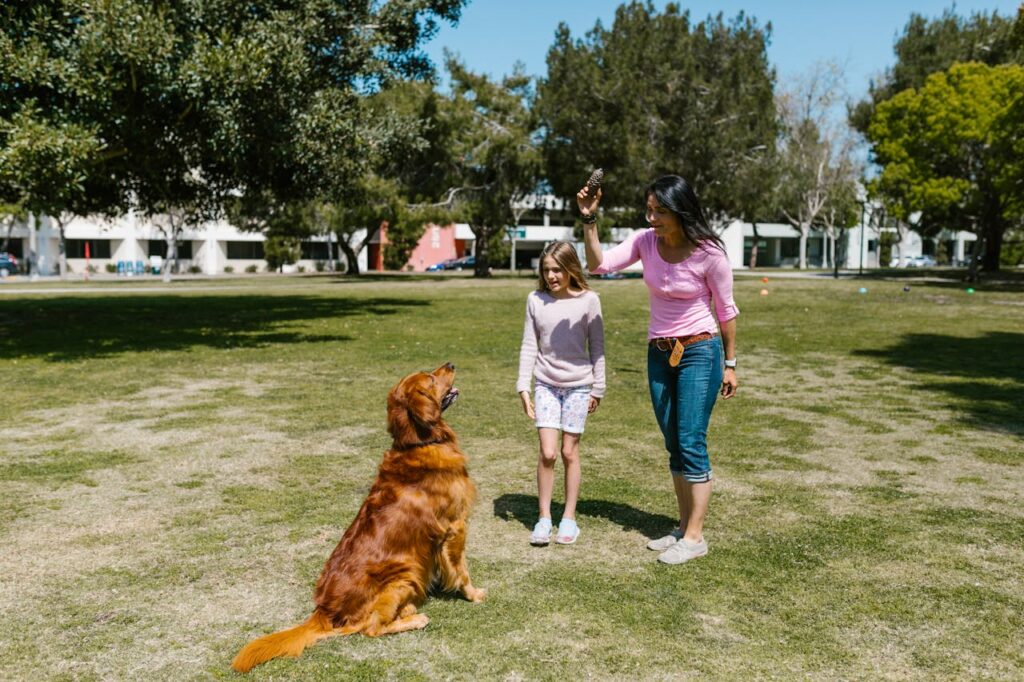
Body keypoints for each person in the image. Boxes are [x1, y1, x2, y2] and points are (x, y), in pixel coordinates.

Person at [577, 175, 738, 565]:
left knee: (690, 439)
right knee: (673, 441)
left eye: (659, 211)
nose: (651, 218)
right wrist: (588, 219)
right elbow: (599, 266)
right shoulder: (644, 242)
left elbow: (726, 310)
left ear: (680, 211)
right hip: (659, 352)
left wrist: (730, 364)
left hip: (701, 350)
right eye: (648, 210)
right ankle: (683, 527)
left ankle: (696, 537)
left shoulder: (709, 252)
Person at [517, 241, 606, 546]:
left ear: (570, 269)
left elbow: (597, 347)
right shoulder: (535, 300)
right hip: (545, 384)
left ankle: (568, 518)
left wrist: (599, 387)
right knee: (548, 452)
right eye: (546, 270)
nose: (552, 276)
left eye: (557, 269)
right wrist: (522, 386)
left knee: (569, 452)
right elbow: (530, 345)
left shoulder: (589, 301)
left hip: (580, 385)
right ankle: (544, 518)